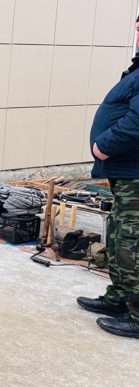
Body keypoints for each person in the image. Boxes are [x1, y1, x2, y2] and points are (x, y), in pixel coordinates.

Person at [79, 53, 139, 338]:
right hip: (126, 171)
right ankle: (118, 298)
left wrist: (103, 145)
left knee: (132, 242)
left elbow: (136, 122)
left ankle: (137, 313)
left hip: (135, 172)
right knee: (117, 236)